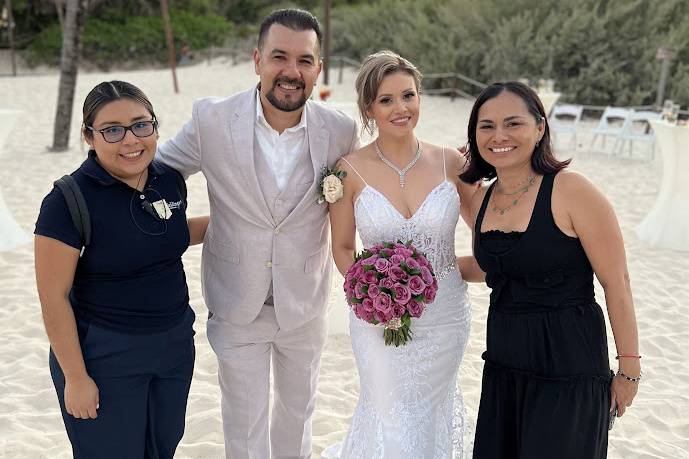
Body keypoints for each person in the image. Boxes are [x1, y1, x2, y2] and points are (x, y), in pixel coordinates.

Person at [155, 8, 358, 459]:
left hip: (305, 302)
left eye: (304, 60)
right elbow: (155, 173)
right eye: (279, 57)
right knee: (243, 424)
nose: (291, 71)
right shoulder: (212, 121)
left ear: (318, 68)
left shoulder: (340, 130)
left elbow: (370, 185)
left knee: (298, 415)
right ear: (257, 60)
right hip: (235, 301)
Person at [459, 82, 641, 458]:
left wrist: (628, 370)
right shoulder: (483, 199)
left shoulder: (571, 190)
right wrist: (426, 270)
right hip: (504, 365)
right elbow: (497, 267)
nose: (499, 136)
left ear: (540, 127)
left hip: (568, 366)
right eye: (487, 126)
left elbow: (616, 282)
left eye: (513, 123)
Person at [34, 80, 209, 458]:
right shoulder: (67, 200)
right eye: (112, 130)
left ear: (155, 127)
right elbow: (53, 297)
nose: (131, 140)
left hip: (174, 346)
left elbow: (167, 234)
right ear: (89, 136)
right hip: (104, 354)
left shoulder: (169, 180)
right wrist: (77, 378)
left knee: (161, 451)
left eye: (140, 125)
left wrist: (237, 224)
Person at [323, 50, 476, 458]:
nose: (401, 108)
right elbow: (342, 247)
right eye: (386, 100)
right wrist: (370, 293)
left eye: (408, 95)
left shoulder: (451, 163)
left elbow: (488, 231)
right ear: (369, 107)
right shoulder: (346, 171)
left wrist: (461, 270)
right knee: (390, 413)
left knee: (429, 414)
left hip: (444, 318)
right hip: (378, 320)